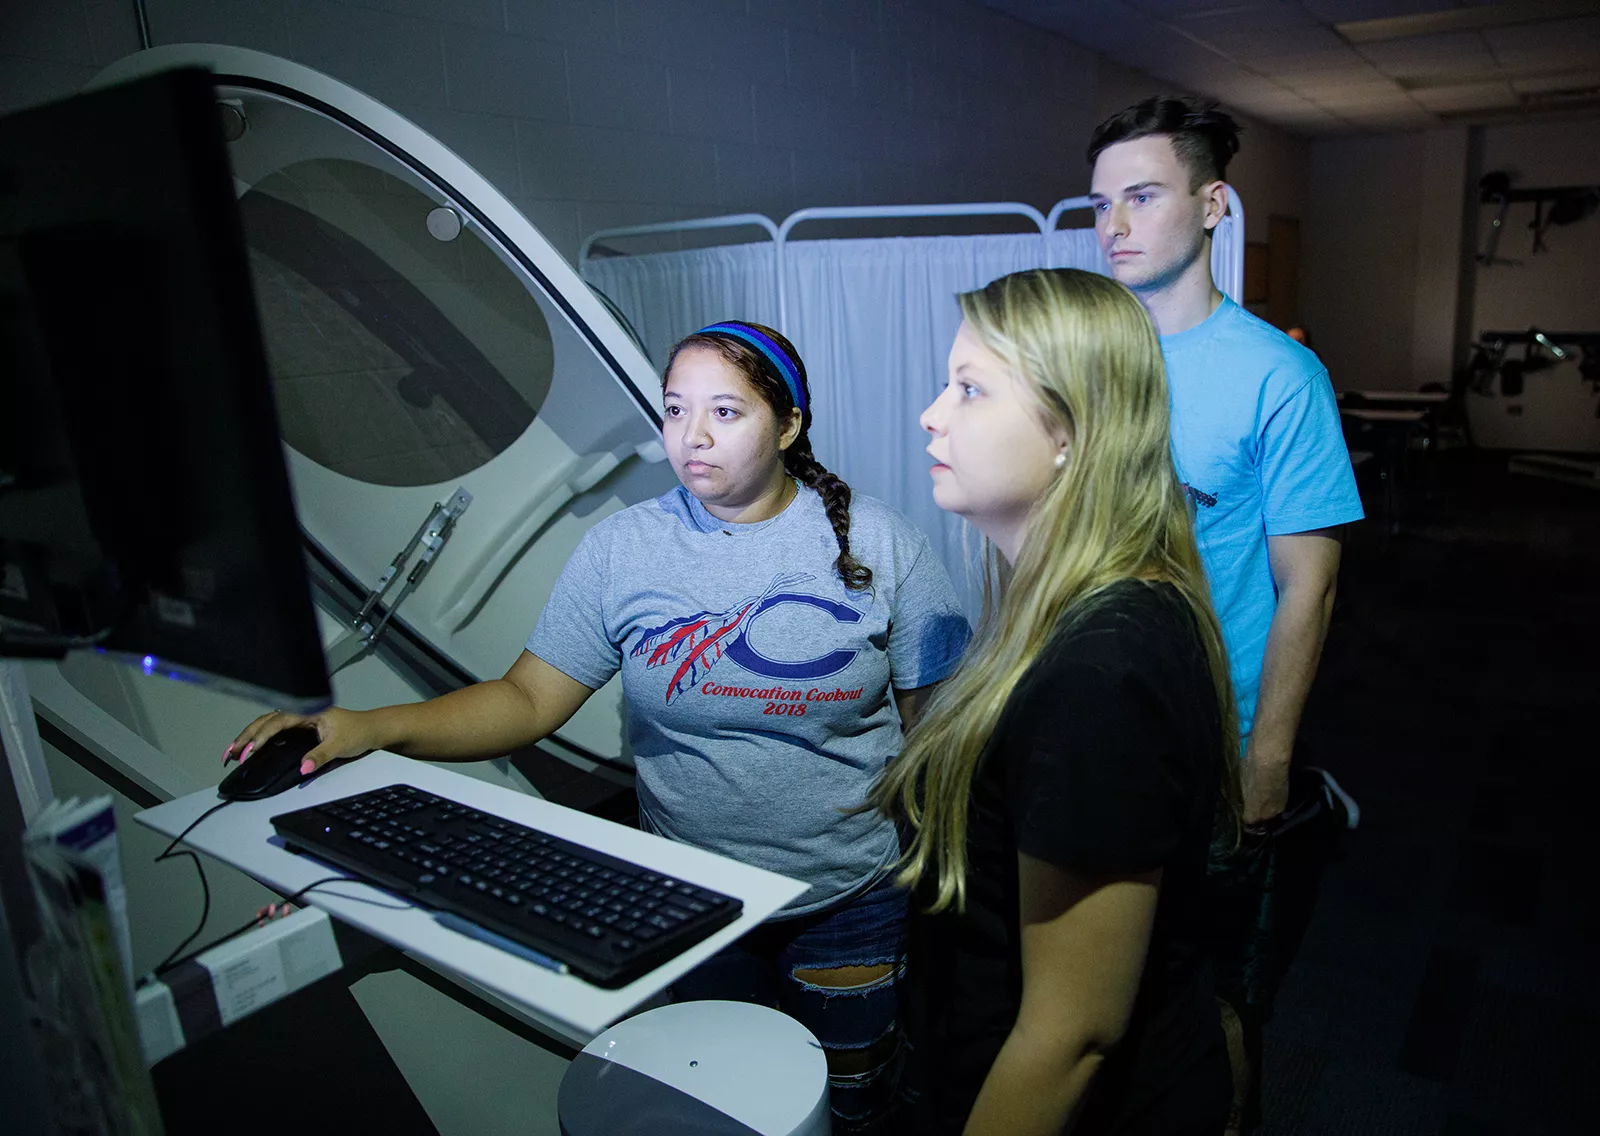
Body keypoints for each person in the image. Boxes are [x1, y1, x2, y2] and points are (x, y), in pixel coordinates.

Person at [225, 320, 971, 1134]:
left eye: (726, 412)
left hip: (848, 902)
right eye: (675, 409)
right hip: (695, 903)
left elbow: (935, 736)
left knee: (850, 1103)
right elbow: (525, 700)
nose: (692, 436)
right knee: (731, 1110)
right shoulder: (623, 550)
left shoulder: (883, 544)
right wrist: (368, 726)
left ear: (788, 425)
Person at [874, 268, 1240, 1135]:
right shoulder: (1057, 608)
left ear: (1071, 430)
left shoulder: (1099, 670)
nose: (932, 413)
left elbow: (1073, 1033)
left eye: (969, 389)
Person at [1086, 96, 1365, 1133]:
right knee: (1095, 991)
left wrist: (1267, 757)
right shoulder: (1090, 360)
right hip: (1105, 725)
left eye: (1142, 195)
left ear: (1213, 205)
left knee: (1216, 1000)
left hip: (1216, 739)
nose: (1114, 223)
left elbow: (1310, 581)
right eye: (1101, 202)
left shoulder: (1277, 375)